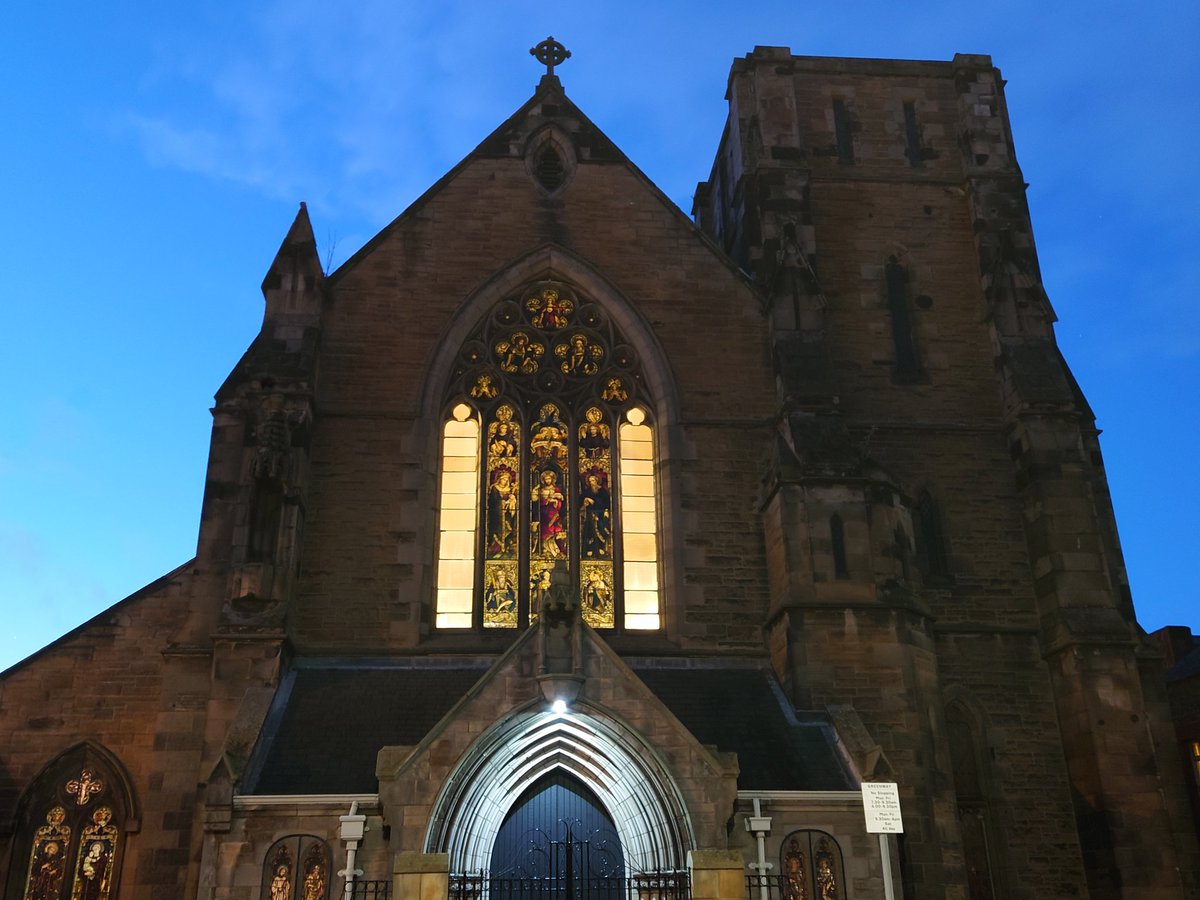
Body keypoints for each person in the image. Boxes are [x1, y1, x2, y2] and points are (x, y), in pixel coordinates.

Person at [532, 470, 567, 558]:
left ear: (552, 479)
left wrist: (555, 501)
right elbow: (536, 501)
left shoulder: (556, 489)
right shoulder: (541, 489)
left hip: (553, 513)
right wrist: (537, 493)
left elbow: (560, 503)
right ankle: (545, 550)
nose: (548, 481)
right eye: (546, 479)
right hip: (544, 513)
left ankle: (555, 550)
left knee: (554, 530)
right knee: (545, 530)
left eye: (549, 479)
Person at [579, 473, 611, 558]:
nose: (591, 483)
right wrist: (586, 499)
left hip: (600, 513)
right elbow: (582, 501)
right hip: (590, 513)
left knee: (601, 529)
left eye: (593, 480)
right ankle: (590, 548)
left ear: (597, 481)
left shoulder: (602, 491)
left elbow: (606, 501)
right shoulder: (587, 491)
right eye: (590, 481)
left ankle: (601, 547)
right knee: (590, 530)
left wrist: (606, 511)